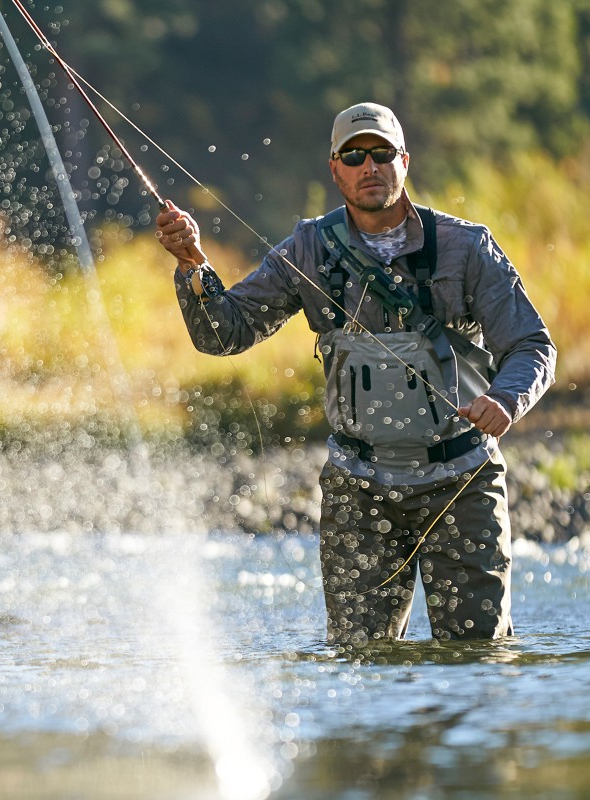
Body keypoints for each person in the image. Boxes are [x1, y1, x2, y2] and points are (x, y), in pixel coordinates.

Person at [156, 102, 556, 646]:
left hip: (461, 481)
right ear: (335, 168)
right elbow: (224, 334)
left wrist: (507, 401)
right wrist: (191, 265)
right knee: (358, 660)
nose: (370, 166)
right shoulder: (308, 248)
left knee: (477, 657)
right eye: (354, 155)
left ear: (404, 162)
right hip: (360, 489)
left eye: (382, 153)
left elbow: (532, 346)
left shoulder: (467, 246)